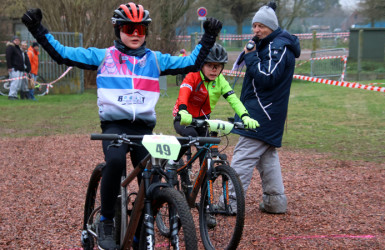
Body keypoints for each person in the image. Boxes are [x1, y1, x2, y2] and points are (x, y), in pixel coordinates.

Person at [22, 3, 222, 249]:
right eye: (129, 28)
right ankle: (106, 220)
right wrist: (36, 28)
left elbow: (191, 63)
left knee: (155, 182)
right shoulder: (104, 56)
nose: (136, 34)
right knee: (115, 162)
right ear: (118, 30)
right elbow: (62, 53)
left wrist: (209, 36)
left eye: (141, 29)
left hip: (144, 130)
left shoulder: (155, 59)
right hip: (114, 126)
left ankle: (139, 234)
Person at [229, 2, 300, 214]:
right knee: (266, 155)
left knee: (243, 156)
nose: (257, 30)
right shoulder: (268, 44)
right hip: (266, 111)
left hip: (263, 112)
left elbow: (267, 77)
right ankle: (275, 202)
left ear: (272, 26)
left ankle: (230, 203)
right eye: (254, 26)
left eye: (261, 26)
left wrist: (250, 56)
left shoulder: (277, 47)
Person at [172, 43, 259, 139]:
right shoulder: (193, 75)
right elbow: (184, 93)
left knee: (206, 146)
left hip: (203, 119)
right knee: (192, 136)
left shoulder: (220, 81)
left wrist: (245, 116)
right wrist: (183, 110)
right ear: (201, 64)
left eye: (218, 66)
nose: (214, 70)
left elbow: (233, 99)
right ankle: (176, 154)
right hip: (183, 116)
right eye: (210, 65)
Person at [5, 36, 30, 100]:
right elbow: (8, 57)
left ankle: (15, 95)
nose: (17, 41)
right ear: (13, 41)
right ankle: (11, 95)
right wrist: (9, 66)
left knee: (18, 84)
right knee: (15, 82)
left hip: (19, 69)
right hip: (14, 68)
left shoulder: (17, 48)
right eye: (16, 40)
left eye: (18, 40)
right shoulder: (10, 47)